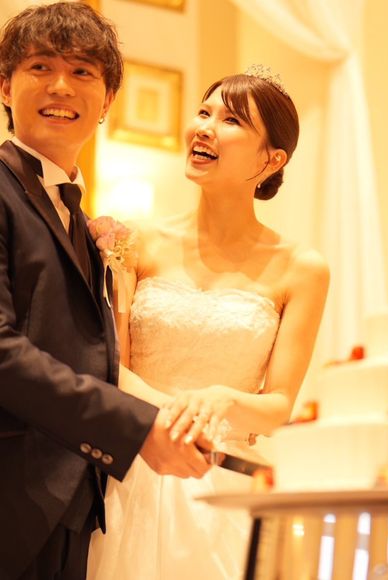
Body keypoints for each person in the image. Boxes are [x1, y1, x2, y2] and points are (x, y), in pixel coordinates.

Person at [87, 67, 330, 579]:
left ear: (272, 159)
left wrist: (226, 401)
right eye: (203, 112)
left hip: (226, 486)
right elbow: (112, 367)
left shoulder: (302, 268)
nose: (204, 128)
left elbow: (279, 406)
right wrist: (175, 418)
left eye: (231, 120)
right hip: (132, 473)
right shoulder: (134, 242)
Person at [0, 3, 211, 579]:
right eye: (40, 67)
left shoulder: (77, 214)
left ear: (108, 99)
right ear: (6, 87)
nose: (61, 86)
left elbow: (88, 353)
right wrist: (133, 428)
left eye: (82, 72)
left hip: (74, 505)